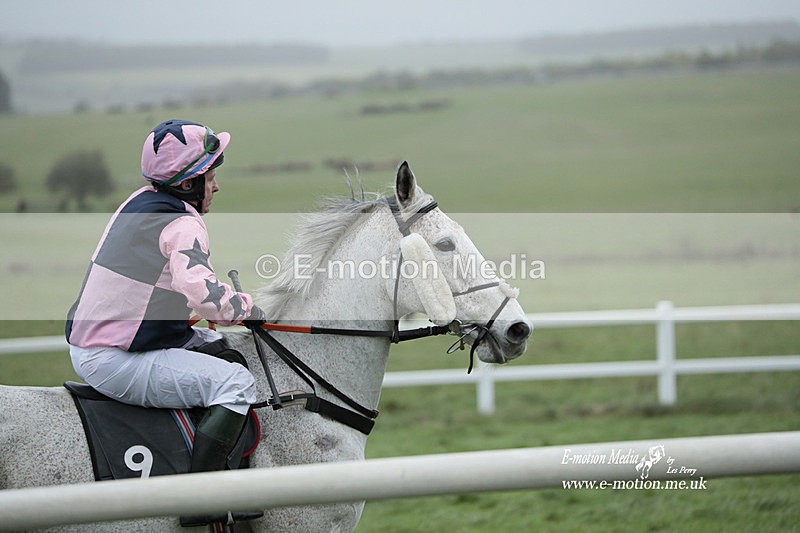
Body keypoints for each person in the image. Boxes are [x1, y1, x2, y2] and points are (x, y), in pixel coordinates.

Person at [66, 119, 265, 527]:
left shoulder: (139, 200)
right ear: (189, 183)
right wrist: (249, 307)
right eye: (210, 177)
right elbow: (205, 297)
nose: (216, 186)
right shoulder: (183, 223)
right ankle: (200, 499)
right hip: (114, 357)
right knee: (236, 383)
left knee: (223, 352)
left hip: (102, 342)